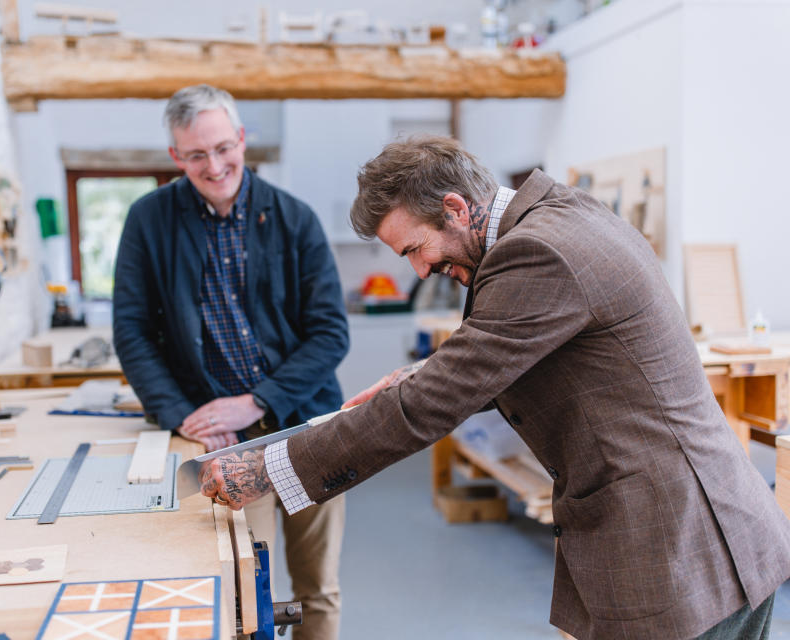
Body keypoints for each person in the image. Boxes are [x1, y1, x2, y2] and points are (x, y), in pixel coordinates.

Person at [200, 135, 790, 640]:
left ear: (456, 208)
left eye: (415, 249)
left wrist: (269, 469)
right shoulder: (554, 216)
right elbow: (501, 353)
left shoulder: (538, 253)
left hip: (682, 549)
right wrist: (413, 376)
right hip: (697, 534)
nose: (420, 271)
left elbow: (429, 407)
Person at [113, 85, 349, 640]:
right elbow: (132, 330)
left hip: (308, 428)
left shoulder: (295, 219)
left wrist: (257, 401)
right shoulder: (149, 221)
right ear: (175, 155)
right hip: (226, 446)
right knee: (248, 592)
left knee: (319, 589)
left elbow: (330, 335)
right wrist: (180, 413)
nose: (214, 166)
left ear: (242, 139)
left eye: (223, 147)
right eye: (196, 155)